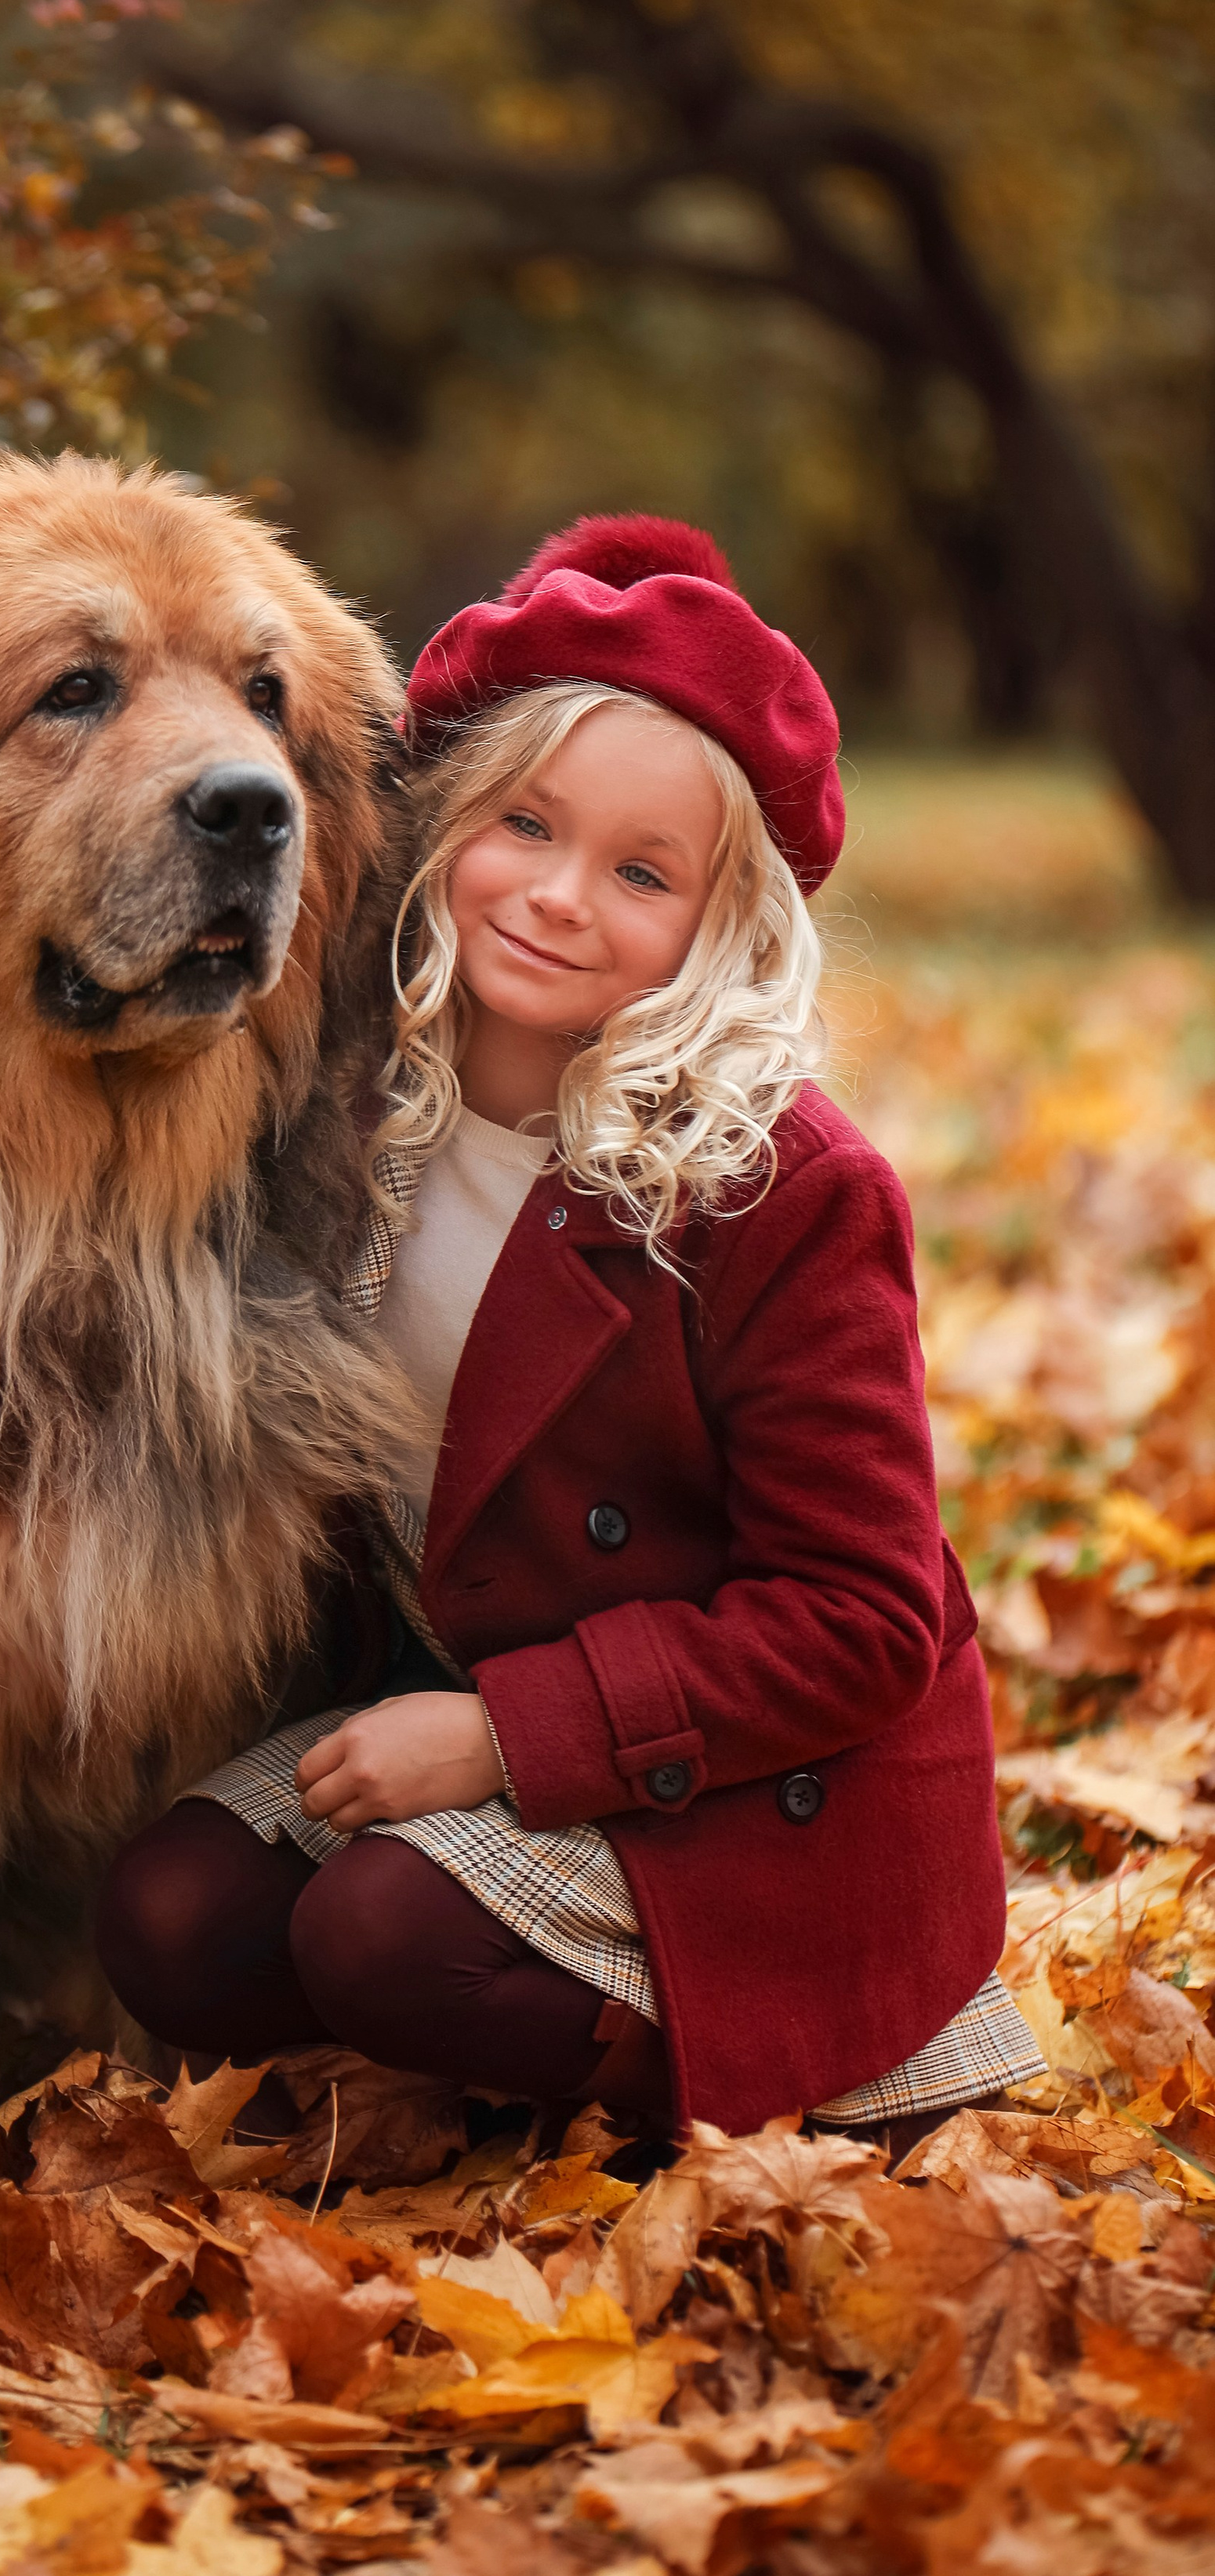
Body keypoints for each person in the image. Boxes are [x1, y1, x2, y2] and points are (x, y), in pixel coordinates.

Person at [97, 513, 1042, 2139]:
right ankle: (459, 2031)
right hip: (469, 1680)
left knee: (376, 1934)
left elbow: (860, 1621)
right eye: (521, 824)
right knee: (167, 1922)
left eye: (639, 873)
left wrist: (499, 1740)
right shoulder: (344, 1103)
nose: (551, 898)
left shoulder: (776, 1188)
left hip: (745, 1772)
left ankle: (729, 2087)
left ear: (716, 930)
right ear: (443, 822)